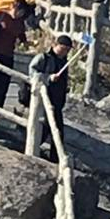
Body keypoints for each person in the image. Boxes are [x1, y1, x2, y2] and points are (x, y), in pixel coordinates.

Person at [28, 34, 73, 162]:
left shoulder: (64, 62)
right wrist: (48, 78)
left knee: (58, 132)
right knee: (47, 129)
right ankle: (33, 151)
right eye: (63, 48)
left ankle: (54, 159)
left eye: (68, 50)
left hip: (58, 102)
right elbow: (32, 73)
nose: (65, 52)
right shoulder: (43, 58)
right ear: (55, 45)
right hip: (45, 99)